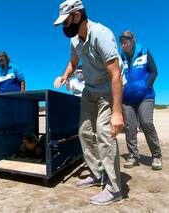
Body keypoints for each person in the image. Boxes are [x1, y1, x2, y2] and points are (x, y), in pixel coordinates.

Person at [53, 0, 124, 205]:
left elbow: (116, 73)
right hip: (89, 90)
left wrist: (117, 112)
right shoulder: (74, 40)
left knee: (104, 133)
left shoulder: (102, 34)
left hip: (108, 90)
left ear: (77, 15)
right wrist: (65, 75)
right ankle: (97, 173)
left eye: (66, 22)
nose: (65, 28)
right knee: (84, 132)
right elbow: (73, 62)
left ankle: (114, 188)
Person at [119, 30, 162, 170]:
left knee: (145, 122)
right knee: (130, 127)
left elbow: (154, 71)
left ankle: (156, 155)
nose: (123, 45)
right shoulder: (120, 56)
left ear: (133, 41)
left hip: (145, 96)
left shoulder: (144, 52)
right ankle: (133, 156)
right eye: (122, 42)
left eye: (126, 41)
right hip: (127, 98)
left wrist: (145, 85)